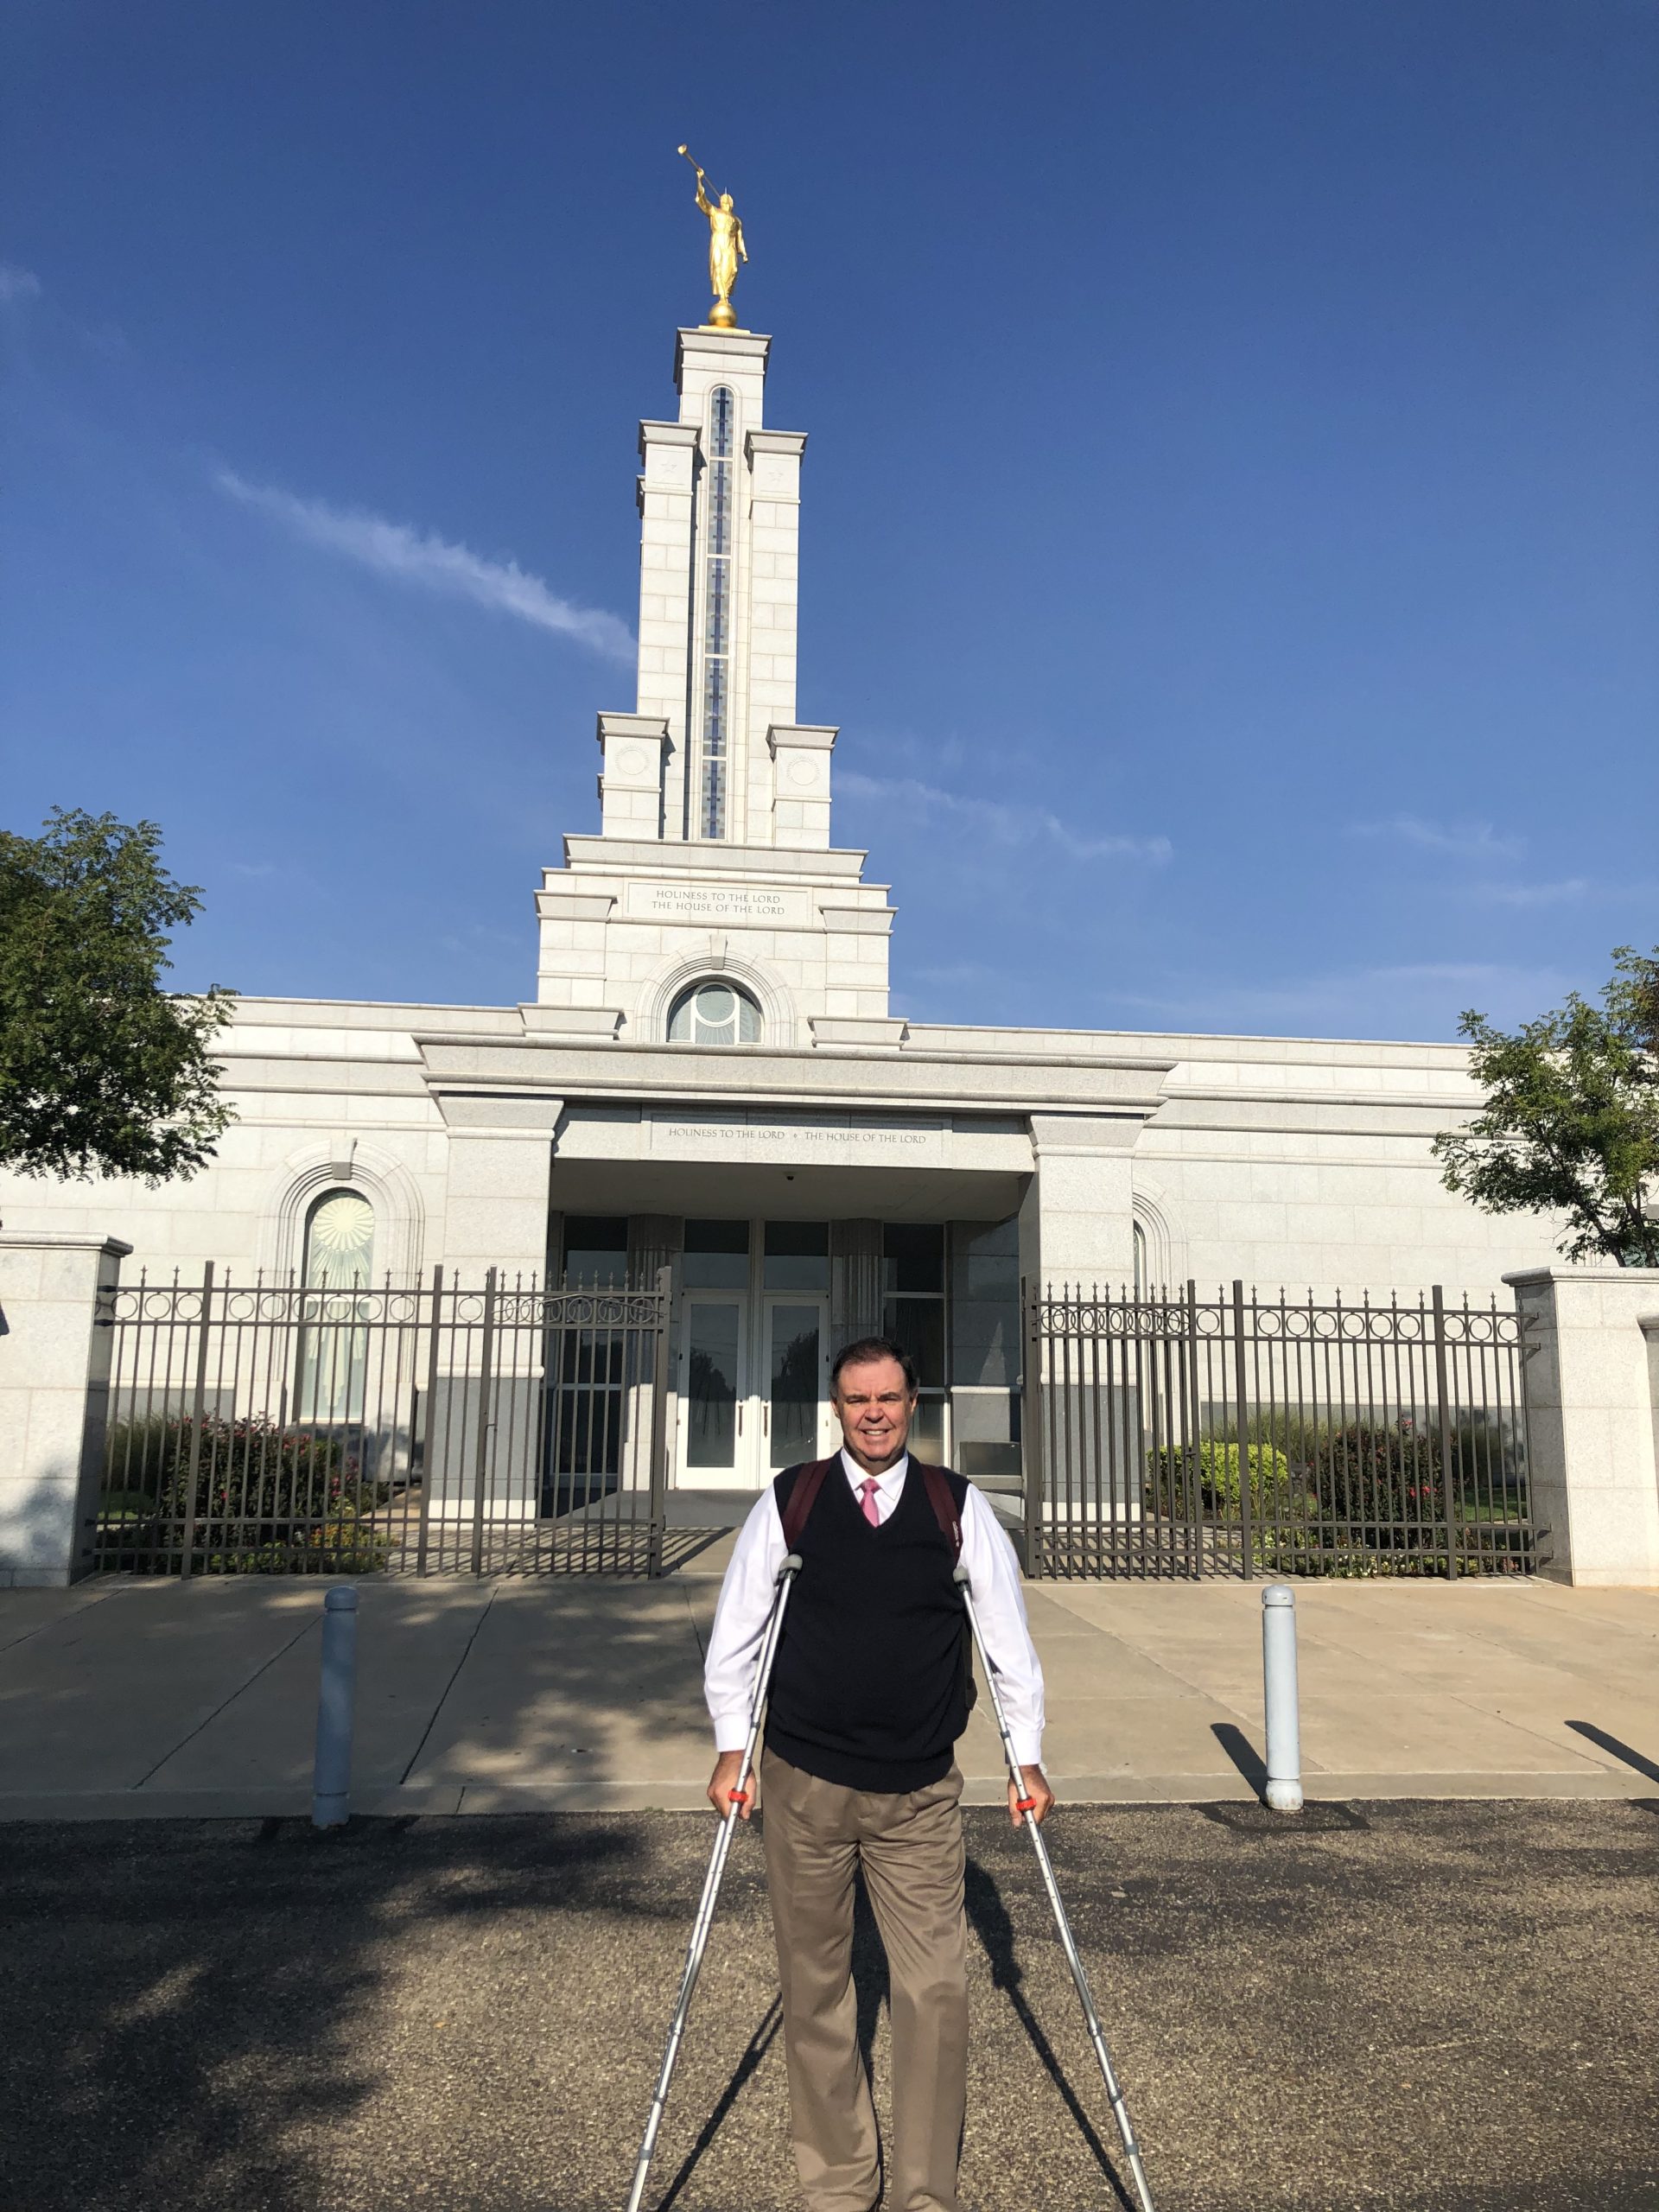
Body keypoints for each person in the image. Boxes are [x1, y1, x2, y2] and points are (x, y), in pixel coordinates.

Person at [703, 1336, 1050, 2212]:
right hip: (803, 1780)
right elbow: (740, 1626)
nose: (873, 1413)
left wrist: (1028, 1753)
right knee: (815, 1985)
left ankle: (925, 2193)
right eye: (857, 1400)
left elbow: (1007, 1639)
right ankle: (839, 2181)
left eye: (888, 1398)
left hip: (919, 1793)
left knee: (934, 1989)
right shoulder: (794, 1498)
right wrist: (730, 1745)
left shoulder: (954, 1504)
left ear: (912, 1402)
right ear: (835, 1407)